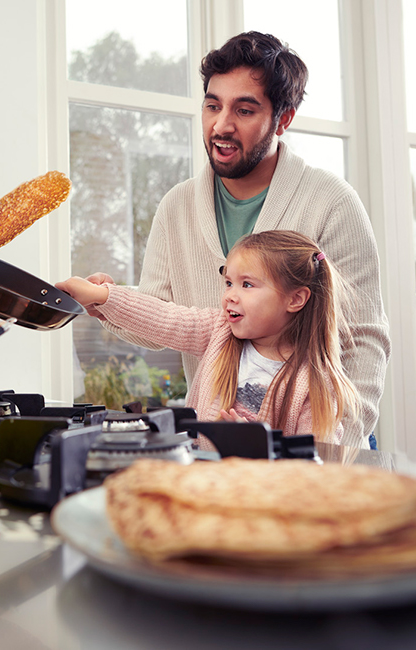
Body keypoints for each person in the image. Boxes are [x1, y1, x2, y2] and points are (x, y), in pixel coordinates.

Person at [86, 31, 389, 438]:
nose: (221, 125)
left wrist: (330, 449)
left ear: (283, 119)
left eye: (244, 110)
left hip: (320, 442)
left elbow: (364, 340)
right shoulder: (176, 206)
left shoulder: (332, 202)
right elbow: (160, 318)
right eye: (213, 106)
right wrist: (107, 302)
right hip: (213, 448)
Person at [59, 231, 361, 446]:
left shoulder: (317, 386)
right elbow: (165, 319)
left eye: (247, 284)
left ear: (296, 299)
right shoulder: (218, 332)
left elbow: (316, 469)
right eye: (228, 282)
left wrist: (257, 446)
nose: (230, 295)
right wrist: (102, 296)